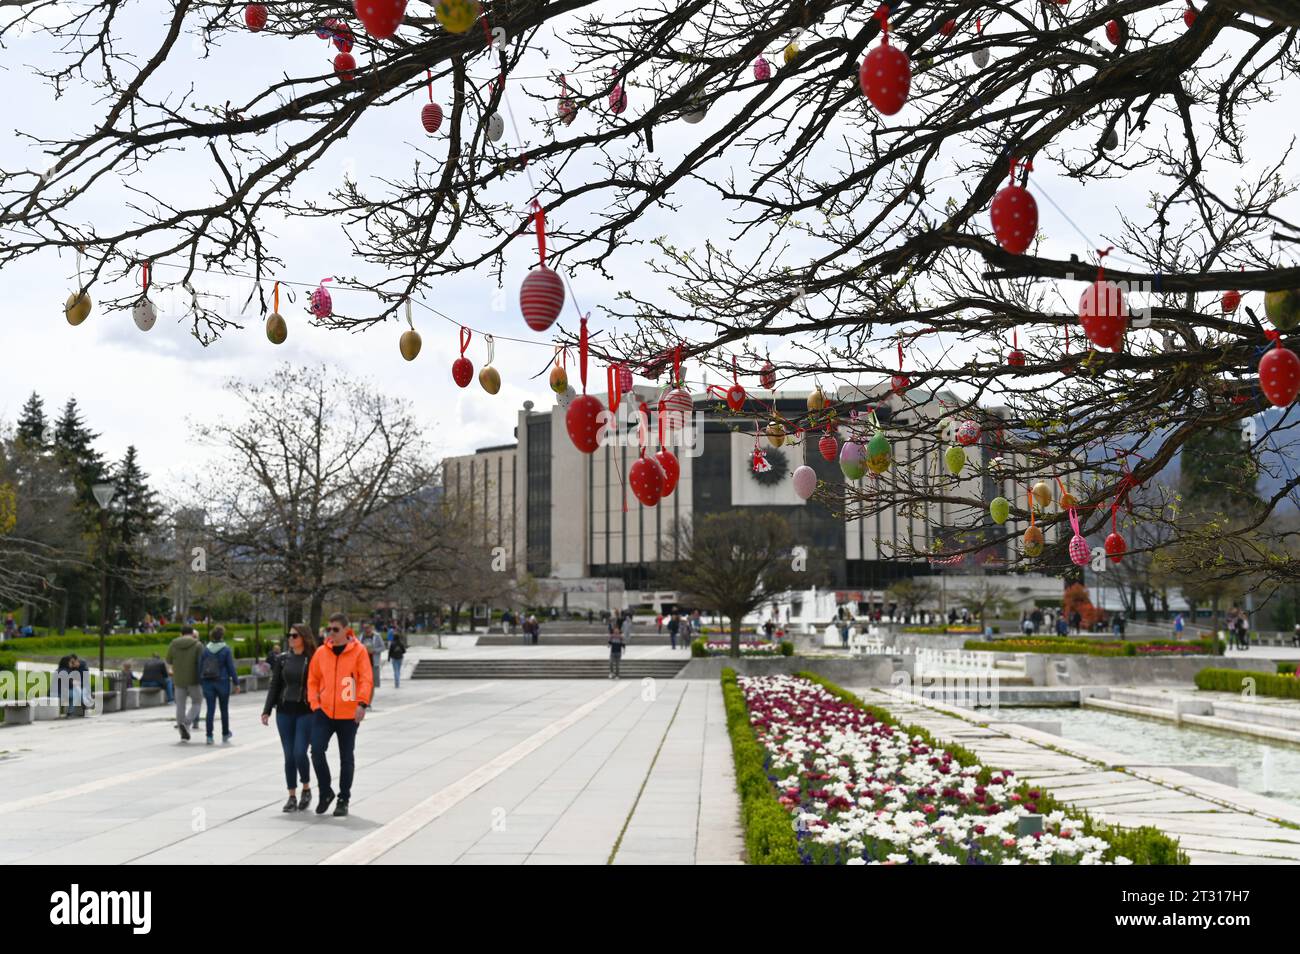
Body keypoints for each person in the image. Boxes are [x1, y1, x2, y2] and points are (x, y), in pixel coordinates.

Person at [307, 612, 373, 818]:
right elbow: (313, 680)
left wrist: (362, 704)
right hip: (324, 712)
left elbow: (365, 679)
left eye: (336, 629)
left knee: (346, 757)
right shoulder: (321, 652)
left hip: (349, 713)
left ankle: (343, 798)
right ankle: (326, 792)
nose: (331, 633)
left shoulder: (359, 651)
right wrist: (315, 704)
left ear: (346, 630)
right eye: (329, 629)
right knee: (316, 751)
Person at [262, 624, 317, 813]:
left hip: (305, 711)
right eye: (289, 635)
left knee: (299, 752)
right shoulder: (282, 659)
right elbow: (275, 685)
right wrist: (267, 710)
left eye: (295, 635)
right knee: (289, 755)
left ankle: (306, 788)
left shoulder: (313, 659)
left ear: (304, 637)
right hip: (284, 712)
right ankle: (292, 796)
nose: (291, 638)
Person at [199, 625, 240, 744]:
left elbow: (200, 667)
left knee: (210, 710)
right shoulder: (226, 649)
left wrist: (201, 681)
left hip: (208, 683)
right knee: (224, 710)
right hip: (222, 682)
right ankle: (225, 733)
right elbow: (231, 668)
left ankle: (209, 736)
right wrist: (236, 683)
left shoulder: (205, 649)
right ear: (222, 635)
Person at [167, 625, 204, 741]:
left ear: (181, 633)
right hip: (194, 679)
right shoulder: (198, 645)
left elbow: (168, 660)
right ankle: (187, 723)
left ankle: (182, 731)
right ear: (192, 633)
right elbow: (202, 662)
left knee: (180, 705)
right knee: (197, 702)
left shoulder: (173, 644)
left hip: (178, 679)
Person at [361, 623, 383, 692]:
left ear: (371, 628)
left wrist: (374, 651)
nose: (366, 629)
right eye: (365, 628)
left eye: (368, 628)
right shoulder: (361, 636)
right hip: (363, 662)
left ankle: (370, 696)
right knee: (365, 681)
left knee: (373, 682)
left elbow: (382, 647)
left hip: (374, 662)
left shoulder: (377, 636)